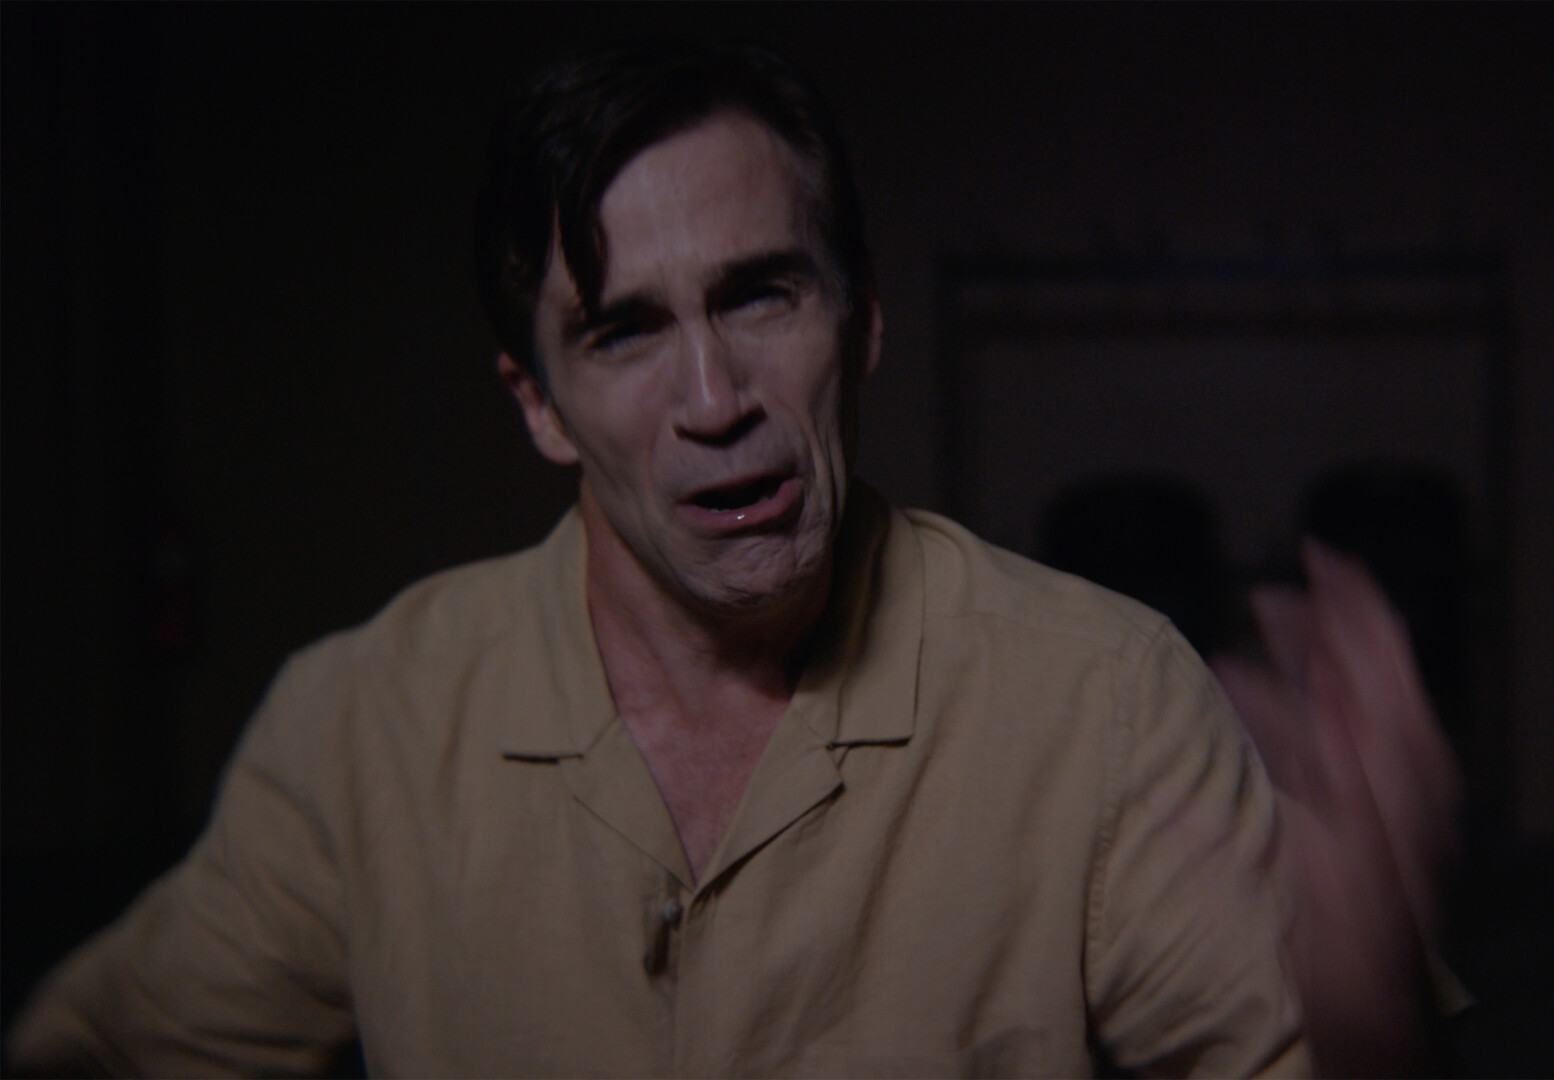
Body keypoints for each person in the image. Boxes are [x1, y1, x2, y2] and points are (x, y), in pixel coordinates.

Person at [7, 41, 1457, 1078]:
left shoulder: (1104, 700)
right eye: (624, 330)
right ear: (539, 405)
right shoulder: (366, 724)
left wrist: (1367, 1032)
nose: (714, 402)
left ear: (861, 322)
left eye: (760, 295)